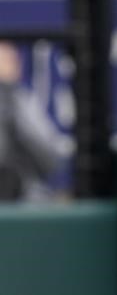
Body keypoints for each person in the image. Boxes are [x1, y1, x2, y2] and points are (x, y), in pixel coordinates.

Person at [0, 41, 63, 201]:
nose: (6, 67)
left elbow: (52, 161)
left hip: (26, 196)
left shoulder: (24, 102)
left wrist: (16, 118)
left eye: (11, 61)